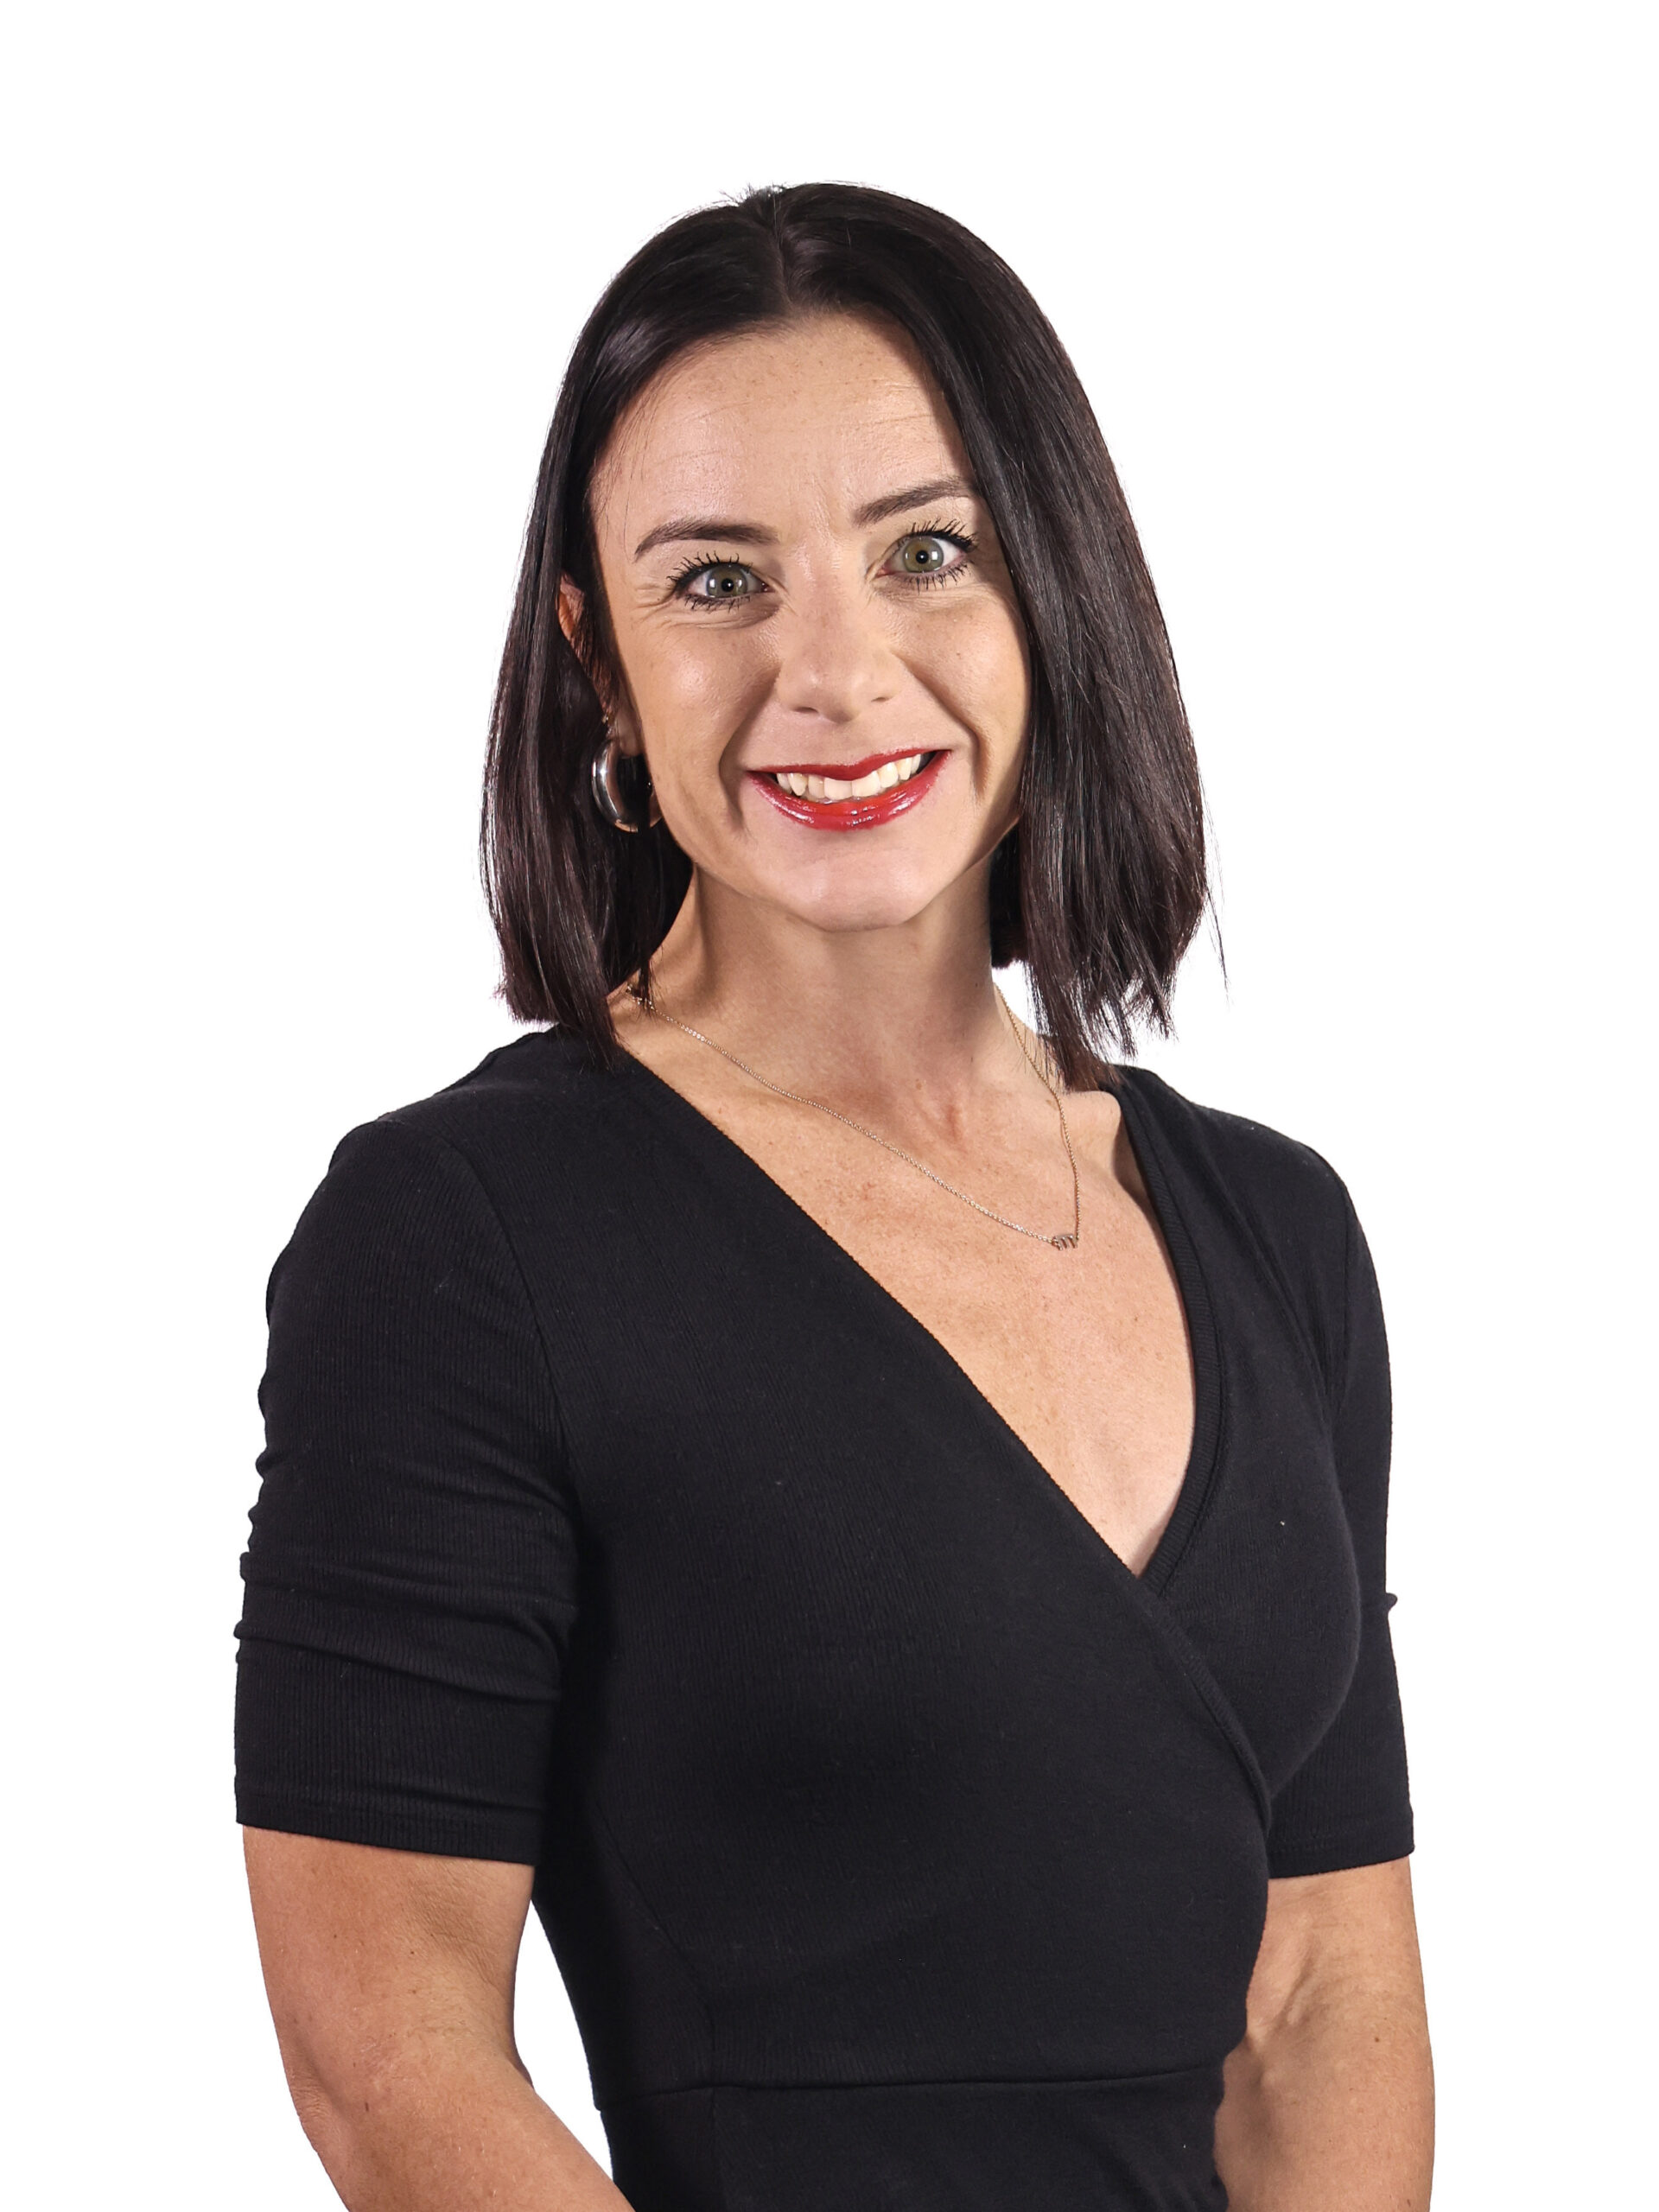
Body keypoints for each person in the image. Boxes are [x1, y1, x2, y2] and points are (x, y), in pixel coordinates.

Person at [235, 183, 1433, 2212]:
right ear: (596, 665)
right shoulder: (459, 1236)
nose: (836, 670)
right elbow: (392, 2055)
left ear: (1051, 591)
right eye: (717, 583)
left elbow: (1319, 1984)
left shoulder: (1273, 1230)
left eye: (928, 553)